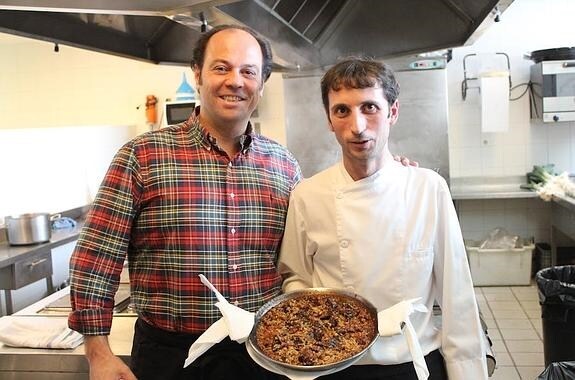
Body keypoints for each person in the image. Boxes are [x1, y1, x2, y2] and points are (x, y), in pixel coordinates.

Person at [68, 24, 301, 380]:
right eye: (221, 68)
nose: (235, 81)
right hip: (171, 357)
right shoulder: (142, 156)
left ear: (262, 83)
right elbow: (96, 259)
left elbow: (309, 247)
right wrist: (97, 353)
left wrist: (388, 176)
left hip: (266, 351)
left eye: (248, 71)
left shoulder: (284, 164)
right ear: (198, 74)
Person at [278, 57, 488, 380]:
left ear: (393, 112)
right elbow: (296, 280)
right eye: (342, 111)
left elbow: (457, 297)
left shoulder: (428, 189)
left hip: (414, 364)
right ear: (329, 120)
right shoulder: (307, 195)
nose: (357, 126)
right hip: (335, 368)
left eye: (370, 108)